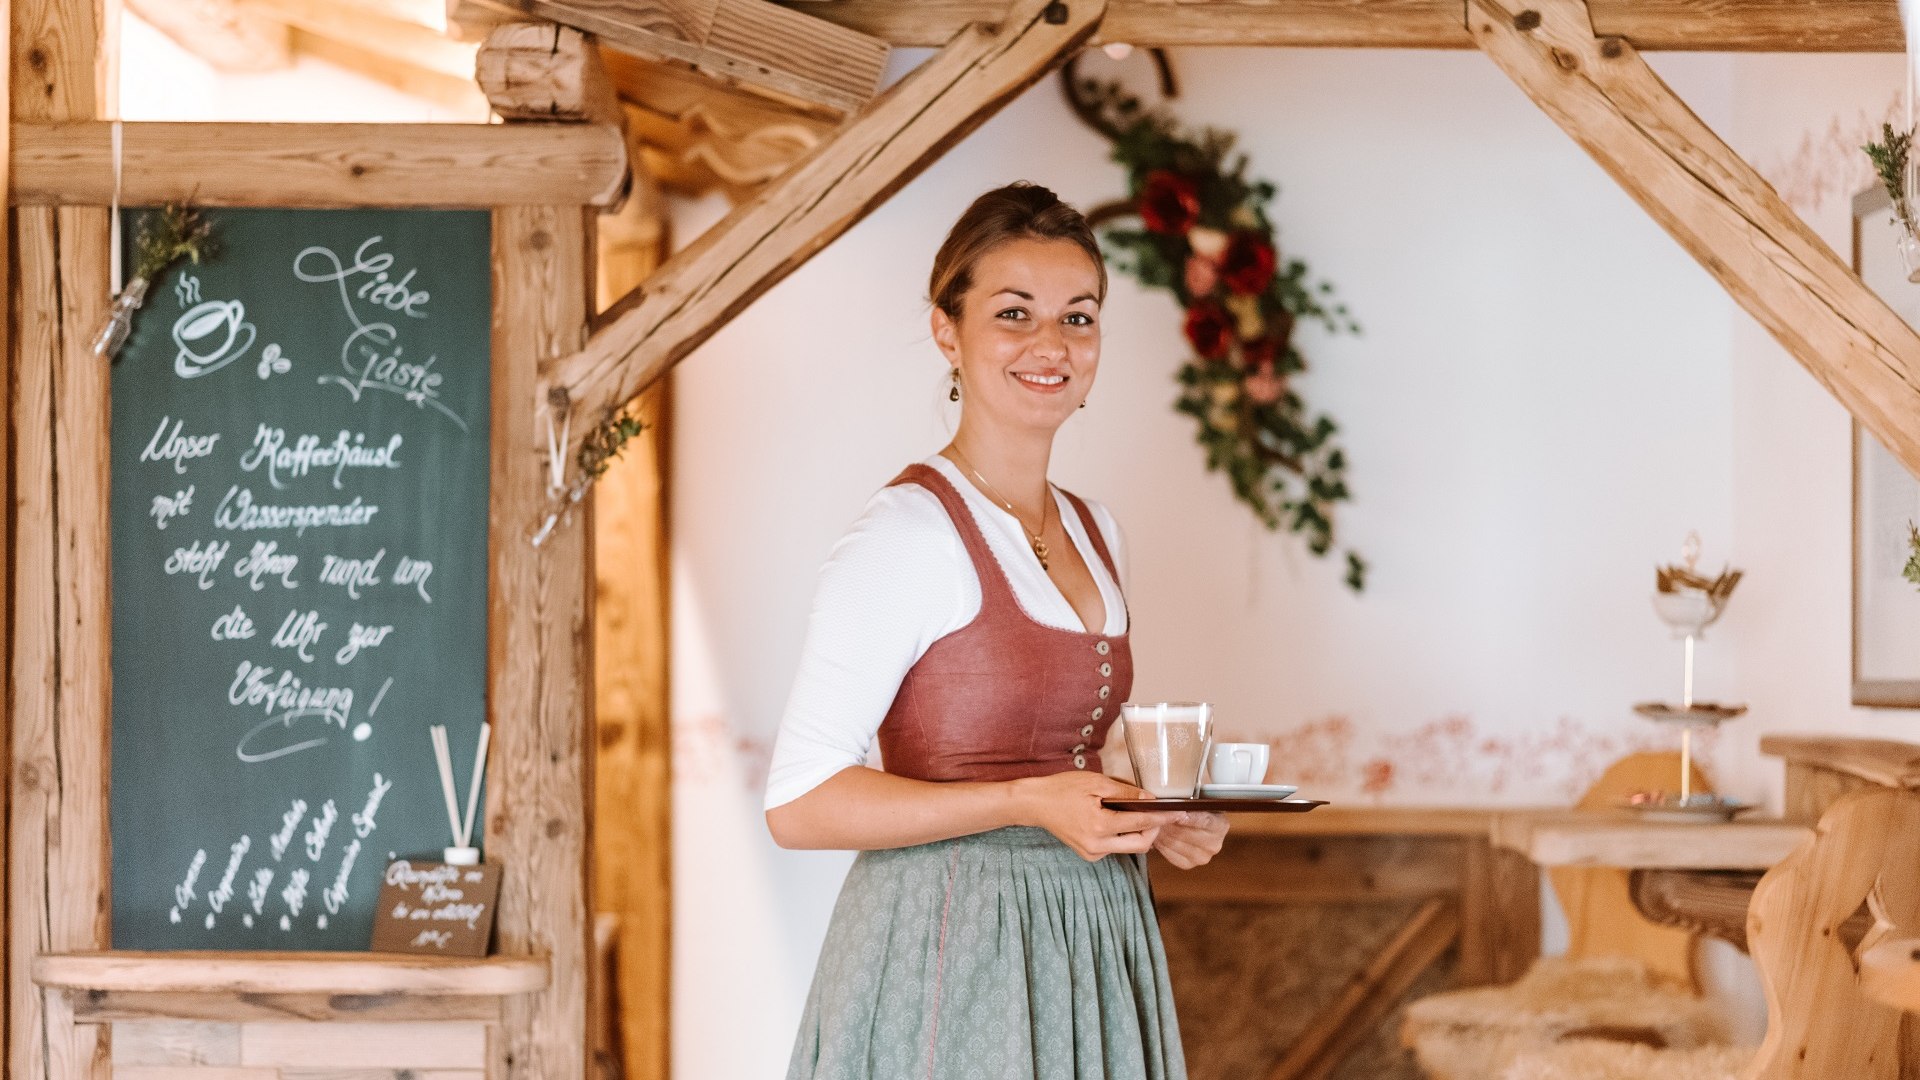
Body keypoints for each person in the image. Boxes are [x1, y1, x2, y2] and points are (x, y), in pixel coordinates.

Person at [765, 182, 1228, 1080]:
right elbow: (799, 802)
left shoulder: (1098, 531)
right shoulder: (907, 533)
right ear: (949, 330)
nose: (1052, 345)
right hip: (947, 944)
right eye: (1014, 313)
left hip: (1090, 936)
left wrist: (1152, 816)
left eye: (1079, 317)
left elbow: (1063, 764)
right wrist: (1021, 802)